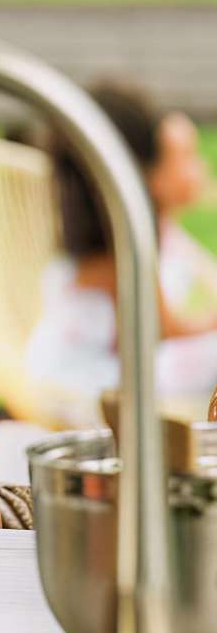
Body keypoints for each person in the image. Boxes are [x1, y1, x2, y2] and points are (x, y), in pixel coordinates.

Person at [26, 83, 217, 414]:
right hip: (84, 390)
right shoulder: (124, 245)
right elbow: (161, 328)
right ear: (143, 170)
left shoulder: (92, 231)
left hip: (68, 373)